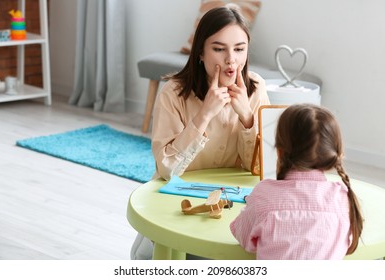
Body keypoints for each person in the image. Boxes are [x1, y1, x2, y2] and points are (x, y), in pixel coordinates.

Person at [131, 5, 270, 260]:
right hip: (181, 201)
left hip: (234, 202)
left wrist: (248, 119)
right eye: (219, 49)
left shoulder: (256, 88)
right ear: (201, 53)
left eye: (239, 49)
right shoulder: (173, 94)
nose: (231, 60)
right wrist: (204, 115)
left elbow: (263, 170)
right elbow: (166, 170)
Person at [230, 104, 364, 260]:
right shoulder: (342, 199)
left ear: (279, 152)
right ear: (332, 153)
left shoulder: (264, 196)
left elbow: (243, 237)